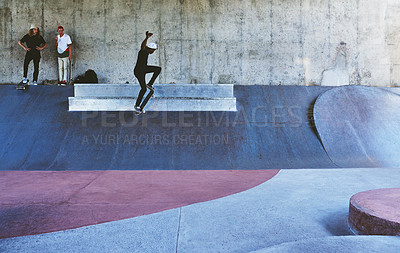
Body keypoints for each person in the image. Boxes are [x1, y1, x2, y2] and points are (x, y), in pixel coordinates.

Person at [134, 31, 161, 114]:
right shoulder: (143, 51)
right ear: (150, 48)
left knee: (158, 69)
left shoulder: (147, 51)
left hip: (144, 69)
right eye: (153, 50)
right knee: (143, 89)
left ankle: (150, 83)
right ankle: (137, 105)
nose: (153, 52)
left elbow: (145, 46)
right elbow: (142, 46)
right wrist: (146, 38)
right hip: (139, 71)